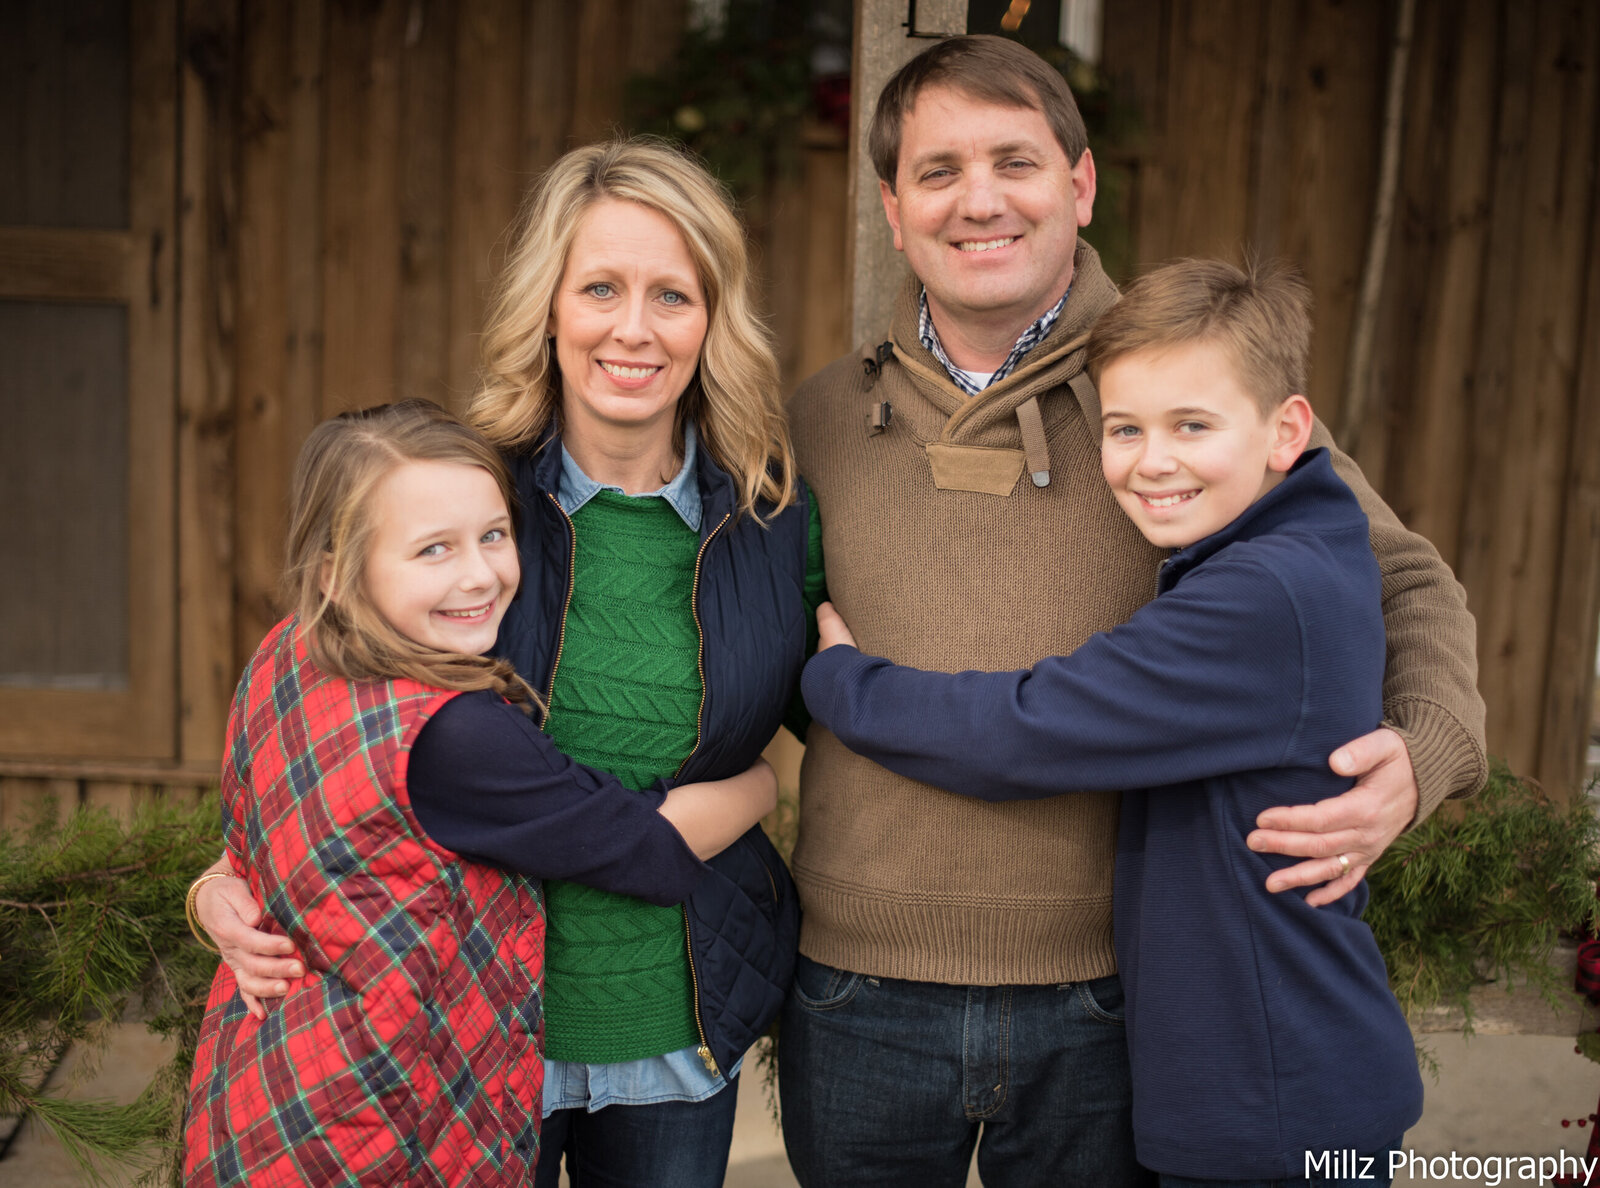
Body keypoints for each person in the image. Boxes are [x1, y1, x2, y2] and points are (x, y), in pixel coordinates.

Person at [780, 34, 1484, 1188]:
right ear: (893, 210)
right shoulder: (819, 418)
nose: (980, 200)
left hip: (1108, 997)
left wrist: (1422, 750)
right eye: (938, 170)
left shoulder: (1181, 390)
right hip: (858, 983)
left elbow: (1401, 577)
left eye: (1014, 160)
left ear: (1080, 183)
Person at [193, 138, 825, 1188]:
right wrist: (227, 875)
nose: (634, 327)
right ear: (549, 306)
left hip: (675, 1028)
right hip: (465, 1041)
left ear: (712, 317)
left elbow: (844, 708)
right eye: (600, 288)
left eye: (672, 293)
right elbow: (325, 725)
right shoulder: (458, 504)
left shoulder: (770, 519)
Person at [182, 400, 779, 1186]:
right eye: (433, 550)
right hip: (392, 1127)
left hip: (279, 1095)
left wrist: (213, 893)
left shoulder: (288, 653)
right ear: (336, 572)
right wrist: (766, 781)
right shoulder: (453, 737)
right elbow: (647, 847)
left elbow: (263, 836)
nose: (479, 574)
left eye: (494, 535)